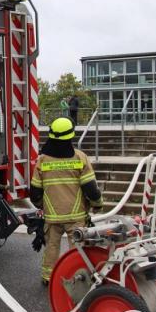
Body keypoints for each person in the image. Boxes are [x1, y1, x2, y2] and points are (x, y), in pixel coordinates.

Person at [30, 117, 103, 285]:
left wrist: (43, 205)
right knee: (77, 249)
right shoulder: (80, 157)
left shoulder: (42, 160)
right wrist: (98, 204)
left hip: (52, 216)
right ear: (71, 136)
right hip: (75, 216)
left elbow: (34, 193)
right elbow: (91, 189)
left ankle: (48, 278)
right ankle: (78, 278)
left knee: (52, 248)